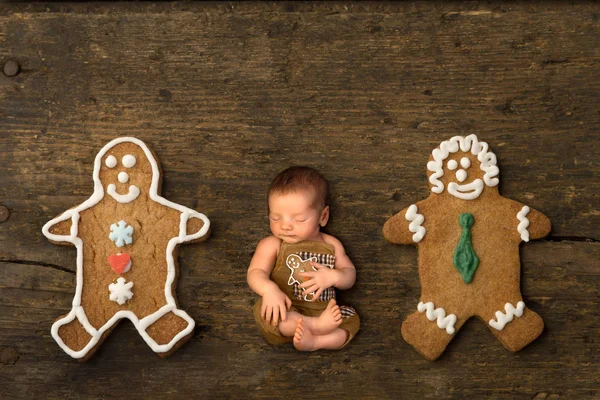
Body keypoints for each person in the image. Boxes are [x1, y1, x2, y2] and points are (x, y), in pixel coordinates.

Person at [247, 166, 360, 351]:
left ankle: (316, 342)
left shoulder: (331, 244)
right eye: (275, 218)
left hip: (325, 311)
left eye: (298, 219)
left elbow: (349, 274)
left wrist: (334, 277)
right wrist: (269, 291)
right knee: (267, 313)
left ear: (322, 216)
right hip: (287, 309)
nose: (285, 226)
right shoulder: (272, 244)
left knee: (351, 320)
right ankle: (315, 326)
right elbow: (255, 272)